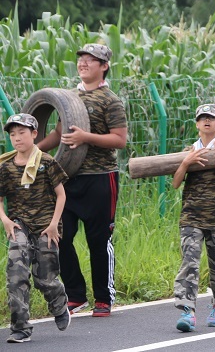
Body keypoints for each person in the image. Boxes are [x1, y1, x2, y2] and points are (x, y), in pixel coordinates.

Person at [38, 43, 127, 317]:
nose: (84, 63)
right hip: (68, 178)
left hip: (101, 179)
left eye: (92, 59)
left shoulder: (110, 100)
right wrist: (33, 151)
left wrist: (85, 138)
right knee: (60, 237)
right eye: (82, 59)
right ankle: (75, 295)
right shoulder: (68, 97)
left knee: (99, 241)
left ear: (104, 66)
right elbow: (59, 136)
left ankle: (104, 298)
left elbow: (119, 140)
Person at [0, 114, 71, 343]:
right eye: (12, 134)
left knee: (45, 279)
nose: (17, 138)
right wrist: (5, 220)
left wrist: (53, 224)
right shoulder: (6, 167)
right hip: (19, 225)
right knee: (16, 275)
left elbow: (61, 195)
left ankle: (59, 305)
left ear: (34, 134)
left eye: (22, 133)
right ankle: (20, 327)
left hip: (45, 227)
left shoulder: (47, 162)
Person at [172, 104, 215, 332]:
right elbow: (175, 183)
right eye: (202, 118)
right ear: (197, 123)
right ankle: (187, 311)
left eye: (211, 118)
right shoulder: (189, 149)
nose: (206, 121)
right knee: (189, 262)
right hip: (192, 215)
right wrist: (185, 163)